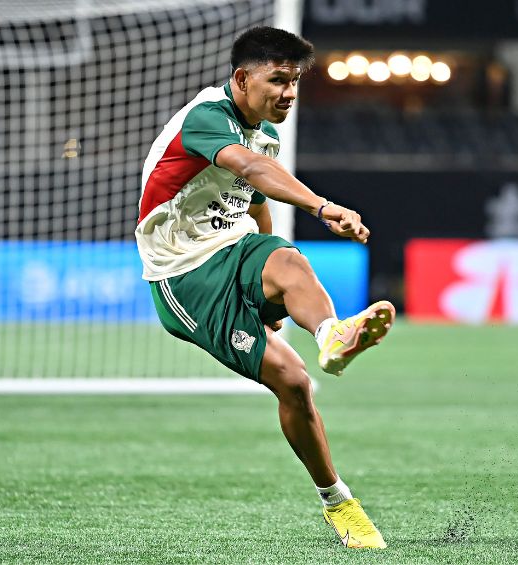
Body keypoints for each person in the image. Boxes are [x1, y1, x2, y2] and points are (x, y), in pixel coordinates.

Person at [134, 26, 393, 549]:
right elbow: (250, 169)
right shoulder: (208, 117)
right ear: (241, 78)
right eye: (278, 80)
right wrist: (322, 206)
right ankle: (335, 492)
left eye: (295, 82)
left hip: (232, 250)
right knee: (290, 382)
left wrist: (269, 292)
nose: (289, 93)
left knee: (291, 266)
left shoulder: (264, 135)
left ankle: (331, 339)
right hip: (184, 276)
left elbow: (255, 203)